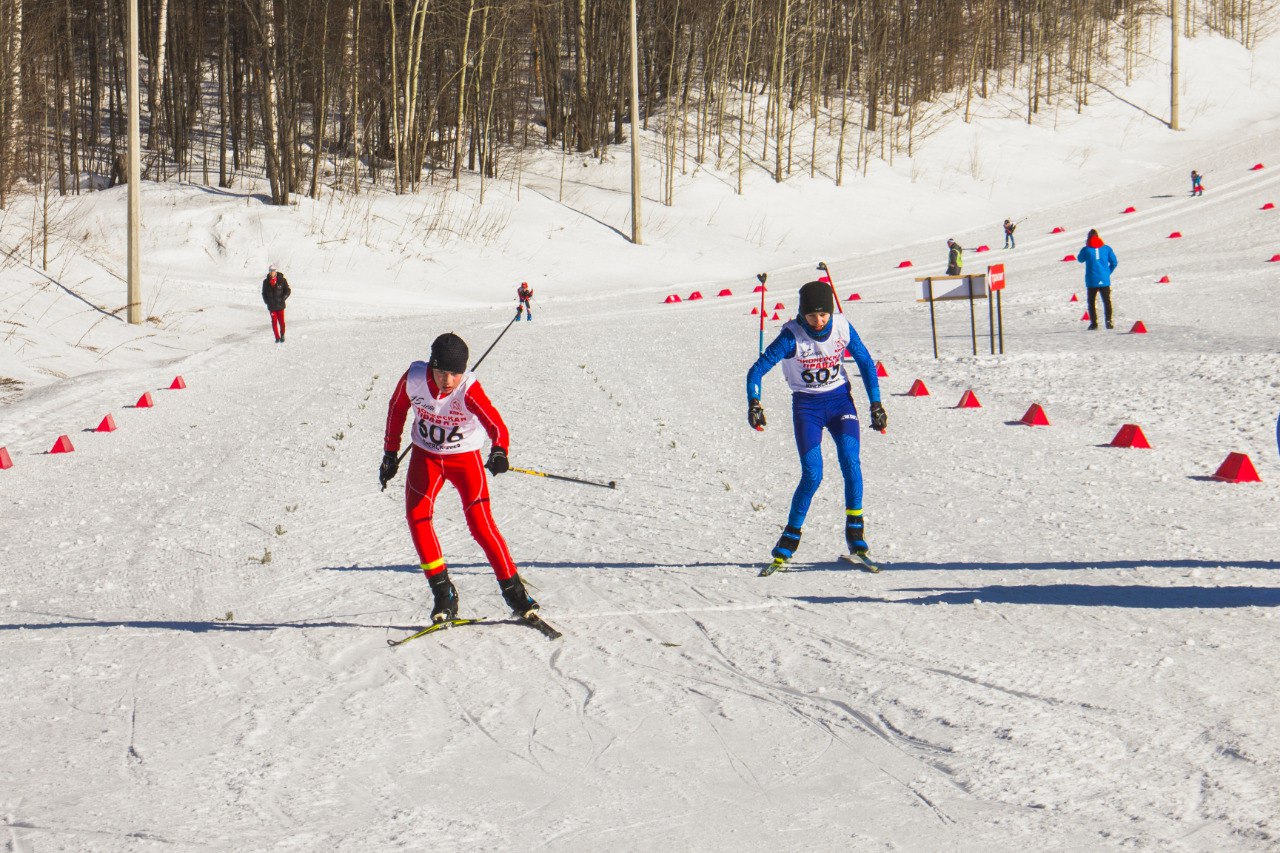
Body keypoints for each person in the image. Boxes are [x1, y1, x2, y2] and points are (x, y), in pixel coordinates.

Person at [379, 332, 539, 622]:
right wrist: (390, 454)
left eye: (455, 373)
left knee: (480, 523)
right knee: (417, 518)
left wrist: (500, 451)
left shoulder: (467, 389)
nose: (448, 380)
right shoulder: (414, 378)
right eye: (442, 372)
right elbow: (397, 409)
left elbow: (496, 425)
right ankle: (444, 594)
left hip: (464, 459)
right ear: (432, 366)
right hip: (425, 456)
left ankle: (514, 591)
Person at [746, 281, 887, 570]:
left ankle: (856, 536)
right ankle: (789, 538)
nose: (818, 321)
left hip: (840, 404)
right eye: (812, 316)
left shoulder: (842, 327)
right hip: (807, 407)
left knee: (851, 461)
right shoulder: (790, 337)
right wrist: (754, 403)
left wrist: (876, 403)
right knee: (813, 474)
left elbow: (865, 362)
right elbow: (756, 371)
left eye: (823, 315)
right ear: (802, 315)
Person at [1076, 228, 1119, 330]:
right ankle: (1108, 322)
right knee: (1107, 301)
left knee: (1091, 302)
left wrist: (1086, 247)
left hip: (1091, 280)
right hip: (1104, 279)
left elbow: (1080, 259)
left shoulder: (1086, 249)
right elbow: (1114, 262)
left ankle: (1094, 324)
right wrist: (1107, 273)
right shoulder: (1106, 248)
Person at [262, 265, 291, 343]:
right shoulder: (265, 282)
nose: (272, 272)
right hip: (272, 306)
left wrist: (283, 298)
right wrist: (266, 301)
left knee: (281, 322)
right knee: (274, 322)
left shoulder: (282, 280)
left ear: (276, 271)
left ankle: (282, 335)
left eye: (273, 270)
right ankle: (277, 337)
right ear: (269, 271)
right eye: (271, 271)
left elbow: (288, 290)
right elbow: (263, 293)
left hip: (280, 305)